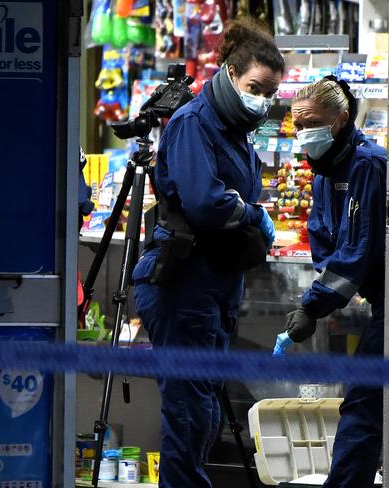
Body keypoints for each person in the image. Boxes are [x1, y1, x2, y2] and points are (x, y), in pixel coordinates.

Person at [132, 17, 284, 488]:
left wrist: (247, 212)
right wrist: (254, 216)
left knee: (203, 405)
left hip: (216, 282)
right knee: (190, 410)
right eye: (257, 87)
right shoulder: (193, 123)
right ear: (232, 74)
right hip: (183, 283)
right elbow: (204, 201)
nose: (264, 99)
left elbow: (234, 199)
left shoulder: (236, 130)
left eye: (271, 93)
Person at [273, 76, 387, 488]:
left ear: (340, 119)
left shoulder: (367, 164)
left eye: (312, 123)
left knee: (362, 402)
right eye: (298, 125)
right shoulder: (322, 172)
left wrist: (313, 306)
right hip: (371, 300)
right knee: (365, 402)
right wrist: (331, 295)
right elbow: (325, 241)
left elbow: (356, 249)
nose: (304, 133)